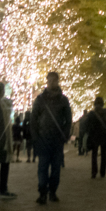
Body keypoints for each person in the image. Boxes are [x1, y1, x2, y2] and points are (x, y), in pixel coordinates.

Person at [31, 71, 72, 204]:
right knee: (42, 166)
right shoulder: (40, 99)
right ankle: (42, 192)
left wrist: (64, 135)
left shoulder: (63, 100)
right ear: (47, 81)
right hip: (43, 138)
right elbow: (34, 118)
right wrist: (35, 136)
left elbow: (68, 119)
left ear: (58, 81)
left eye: (54, 80)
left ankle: (52, 191)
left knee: (55, 168)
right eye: (49, 80)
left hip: (57, 139)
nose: (51, 83)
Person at [85, 96, 106, 178]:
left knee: (94, 154)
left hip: (94, 136)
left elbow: (87, 125)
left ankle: (94, 172)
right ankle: (103, 172)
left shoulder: (91, 114)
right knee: (103, 155)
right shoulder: (105, 113)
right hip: (103, 136)